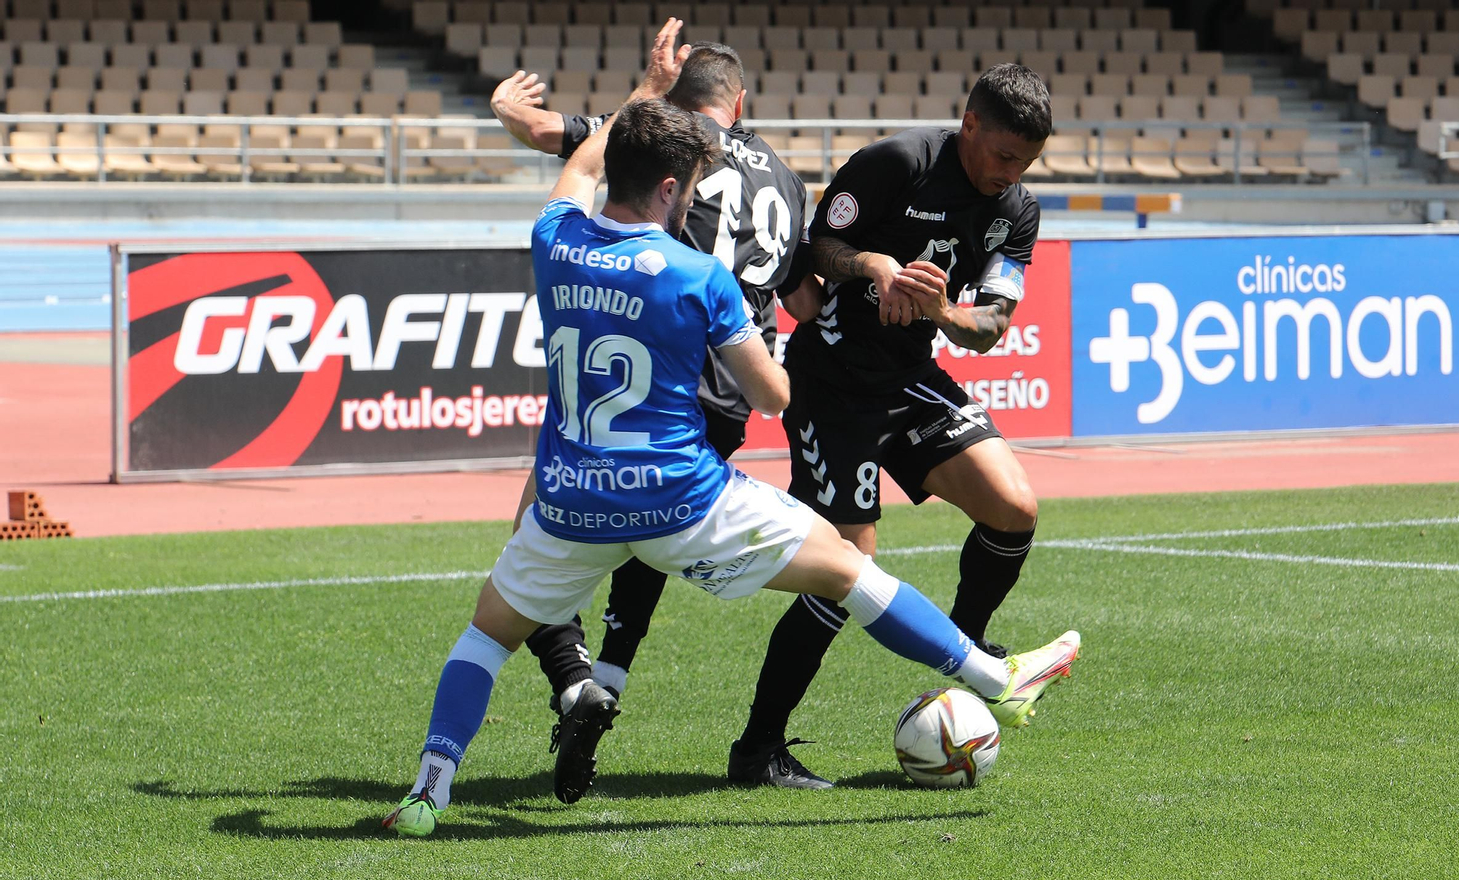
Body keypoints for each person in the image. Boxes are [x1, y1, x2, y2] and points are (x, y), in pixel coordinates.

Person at [382, 22, 1080, 838]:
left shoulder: (553, 240)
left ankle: (430, 790)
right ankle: (994, 675)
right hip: (682, 498)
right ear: (677, 189)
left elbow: (576, 163)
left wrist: (645, 92)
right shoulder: (697, 274)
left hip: (571, 498)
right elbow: (778, 395)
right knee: (852, 572)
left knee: (485, 635)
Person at [488, 43, 822, 802]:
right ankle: (605, 678)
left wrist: (514, 109)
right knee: (651, 543)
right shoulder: (786, 177)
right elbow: (801, 299)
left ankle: (576, 686)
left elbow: (562, 145)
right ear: (742, 103)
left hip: (656, 367)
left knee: (536, 534)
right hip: (735, 391)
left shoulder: (662, 144)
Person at [728, 64, 1056, 787]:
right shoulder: (898, 163)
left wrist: (939, 310)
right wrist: (874, 263)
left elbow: (991, 324)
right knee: (848, 570)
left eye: (1025, 162)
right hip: (833, 380)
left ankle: (965, 652)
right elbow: (811, 251)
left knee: (1014, 507)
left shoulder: (1017, 210)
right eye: (1003, 155)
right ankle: (757, 749)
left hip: (909, 377)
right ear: (969, 124)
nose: (1011, 174)